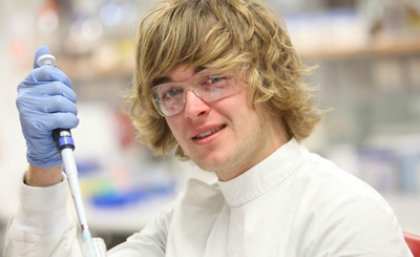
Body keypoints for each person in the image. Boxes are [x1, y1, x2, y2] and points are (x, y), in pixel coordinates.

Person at [4, 0, 413, 256]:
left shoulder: (343, 213)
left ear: (266, 79)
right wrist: (44, 167)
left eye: (213, 79)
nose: (192, 108)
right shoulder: (186, 219)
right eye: (171, 92)